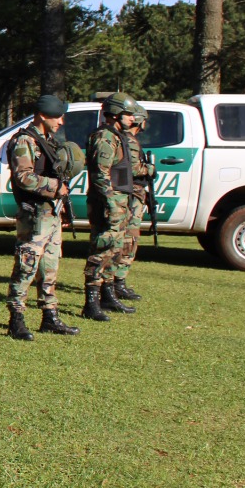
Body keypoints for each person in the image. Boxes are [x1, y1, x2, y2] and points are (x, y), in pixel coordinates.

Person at [4, 94, 81, 341]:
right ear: (42, 115)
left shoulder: (48, 141)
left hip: (51, 214)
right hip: (34, 216)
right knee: (26, 266)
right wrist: (56, 187)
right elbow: (23, 177)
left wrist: (62, 204)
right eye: (57, 116)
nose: (61, 121)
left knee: (50, 267)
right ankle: (16, 319)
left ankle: (50, 316)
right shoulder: (24, 141)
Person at [83, 92, 140, 321]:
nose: (132, 118)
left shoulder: (117, 136)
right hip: (108, 205)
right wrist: (111, 204)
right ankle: (91, 303)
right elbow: (100, 175)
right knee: (101, 251)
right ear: (115, 113)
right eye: (128, 114)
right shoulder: (105, 137)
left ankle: (107, 295)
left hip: (119, 204)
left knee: (114, 251)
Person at [113, 102, 153, 302]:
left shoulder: (125, 139)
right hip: (131, 195)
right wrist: (150, 169)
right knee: (129, 237)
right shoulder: (129, 141)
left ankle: (115, 281)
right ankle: (117, 281)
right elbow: (134, 169)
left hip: (131, 194)